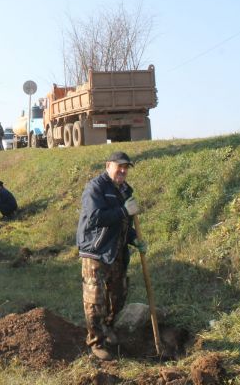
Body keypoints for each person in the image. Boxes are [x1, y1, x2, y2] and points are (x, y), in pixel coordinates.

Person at [76, 151, 146, 361]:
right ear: (108, 166)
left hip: (116, 251)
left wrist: (135, 239)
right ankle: (96, 342)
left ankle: (107, 327)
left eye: (126, 167)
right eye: (119, 166)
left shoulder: (125, 190)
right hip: (95, 251)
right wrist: (124, 211)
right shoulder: (95, 188)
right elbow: (94, 218)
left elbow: (124, 224)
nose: (123, 171)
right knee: (95, 299)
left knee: (119, 294)